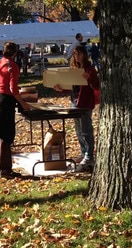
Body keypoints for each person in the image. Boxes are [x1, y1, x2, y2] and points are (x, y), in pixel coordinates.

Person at [0, 41, 31, 178]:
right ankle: (5, 170)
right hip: (5, 100)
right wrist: (23, 103)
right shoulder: (12, 66)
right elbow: (13, 89)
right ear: (15, 53)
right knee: (6, 136)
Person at [53, 44, 99, 172]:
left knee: (86, 130)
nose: (77, 57)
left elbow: (96, 86)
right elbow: (72, 87)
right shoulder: (74, 69)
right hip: (74, 102)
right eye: (75, 54)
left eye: (79, 54)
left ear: (84, 55)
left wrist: (89, 79)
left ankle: (89, 156)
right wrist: (60, 88)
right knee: (79, 130)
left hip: (85, 104)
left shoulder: (89, 69)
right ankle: (84, 152)